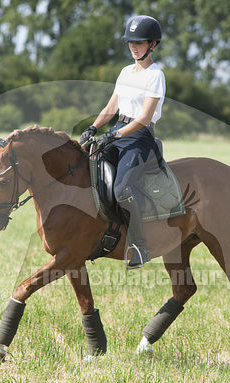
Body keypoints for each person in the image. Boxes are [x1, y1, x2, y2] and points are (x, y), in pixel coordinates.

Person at [80, 15, 165, 269]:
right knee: (85, 171)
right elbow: (110, 107)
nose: (133, 46)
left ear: (153, 44)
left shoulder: (155, 75)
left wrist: (114, 135)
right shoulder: (125, 72)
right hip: (117, 131)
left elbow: (145, 117)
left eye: (139, 42)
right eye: (130, 42)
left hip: (140, 138)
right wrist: (93, 127)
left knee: (121, 190)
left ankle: (139, 245)